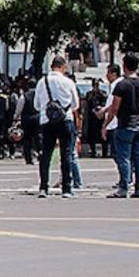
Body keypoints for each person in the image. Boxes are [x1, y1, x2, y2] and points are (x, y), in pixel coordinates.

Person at [34, 56, 80, 199]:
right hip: (65, 120)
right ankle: (66, 188)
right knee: (66, 154)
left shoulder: (42, 82)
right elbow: (75, 104)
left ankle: (43, 187)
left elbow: (36, 105)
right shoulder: (68, 82)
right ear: (63, 67)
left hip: (47, 121)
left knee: (46, 154)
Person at [105, 54, 139, 198]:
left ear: (124, 66)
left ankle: (124, 187)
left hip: (125, 124)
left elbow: (115, 107)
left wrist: (106, 124)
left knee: (124, 157)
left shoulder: (122, 85)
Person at [83, 79, 107, 157]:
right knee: (91, 135)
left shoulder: (102, 93)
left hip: (101, 117)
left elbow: (104, 102)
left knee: (102, 135)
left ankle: (105, 152)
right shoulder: (89, 94)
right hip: (92, 117)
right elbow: (88, 104)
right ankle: (93, 151)